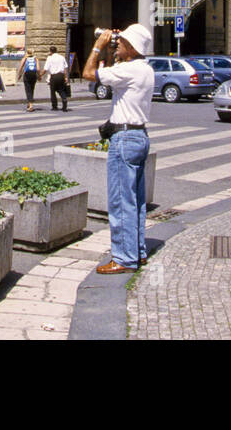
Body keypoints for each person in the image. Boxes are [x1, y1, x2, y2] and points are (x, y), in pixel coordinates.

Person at [83, 24, 154, 274]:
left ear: (132, 48)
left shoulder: (129, 70)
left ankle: (124, 258)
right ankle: (138, 252)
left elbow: (89, 73)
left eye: (121, 42)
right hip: (140, 135)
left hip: (124, 139)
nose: (117, 44)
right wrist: (115, 50)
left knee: (121, 200)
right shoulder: (145, 69)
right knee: (136, 200)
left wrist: (98, 46)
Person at [44, 45, 69, 112]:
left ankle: (54, 106)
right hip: (61, 76)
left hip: (54, 76)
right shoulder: (62, 57)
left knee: (53, 91)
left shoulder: (49, 58)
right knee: (61, 90)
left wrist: (40, 75)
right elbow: (65, 68)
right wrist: (66, 77)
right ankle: (64, 101)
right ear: (56, 50)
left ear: (50, 51)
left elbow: (45, 69)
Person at [21, 48, 39, 112]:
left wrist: (19, 75)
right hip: (34, 74)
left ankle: (31, 105)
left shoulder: (25, 58)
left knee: (28, 89)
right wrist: (39, 76)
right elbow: (38, 69)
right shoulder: (35, 58)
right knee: (32, 88)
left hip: (27, 74)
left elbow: (21, 67)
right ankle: (29, 102)